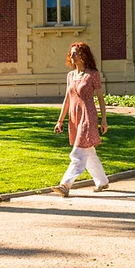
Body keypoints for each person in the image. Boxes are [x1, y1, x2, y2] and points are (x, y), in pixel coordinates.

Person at [51, 42, 109, 197]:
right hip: (75, 117)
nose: (72, 56)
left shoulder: (92, 75)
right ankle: (102, 181)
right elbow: (67, 99)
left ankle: (65, 184)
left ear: (83, 55)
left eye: (75, 53)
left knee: (78, 153)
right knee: (88, 151)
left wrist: (104, 120)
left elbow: (100, 99)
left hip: (88, 116)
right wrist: (60, 120)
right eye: (71, 53)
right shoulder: (70, 76)